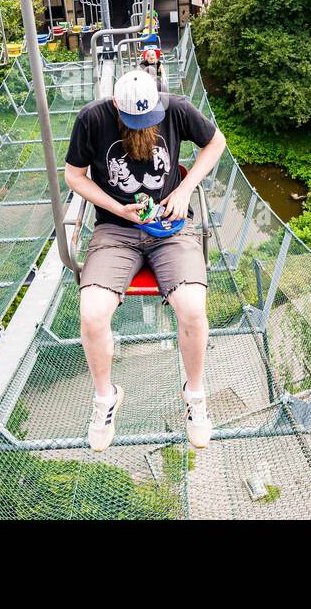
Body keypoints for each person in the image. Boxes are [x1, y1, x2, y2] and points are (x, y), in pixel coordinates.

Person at [63, 70, 227, 453]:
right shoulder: (93, 119)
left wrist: (186, 189)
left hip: (169, 225)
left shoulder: (175, 109)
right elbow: (74, 176)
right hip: (116, 229)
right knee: (91, 313)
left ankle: (195, 395)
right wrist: (118, 207)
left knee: (191, 308)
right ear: (117, 106)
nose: (144, 128)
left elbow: (216, 142)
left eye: (148, 120)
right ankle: (105, 398)